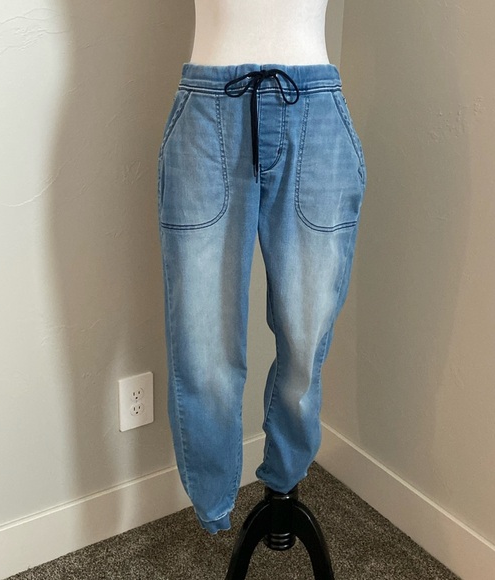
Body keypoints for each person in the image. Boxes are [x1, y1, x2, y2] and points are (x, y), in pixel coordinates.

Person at [157, 0, 367, 534]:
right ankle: (213, 498)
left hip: (315, 112)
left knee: (306, 335)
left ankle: (285, 477)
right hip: (208, 110)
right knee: (203, 342)